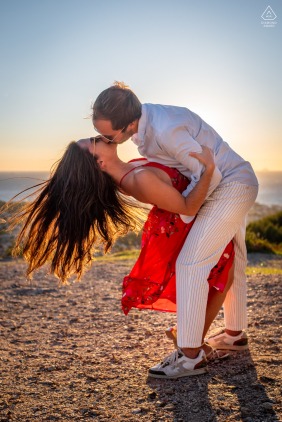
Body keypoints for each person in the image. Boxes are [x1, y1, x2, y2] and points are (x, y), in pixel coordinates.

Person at [12, 138, 233, 378]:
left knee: (219, 275)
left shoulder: (132, 168)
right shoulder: (139, 179)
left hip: (180, 225)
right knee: (222, 275)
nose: (97, 136)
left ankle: (189, 336)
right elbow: (188, 208)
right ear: (99, 162)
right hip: (178, 227)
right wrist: (209, 170)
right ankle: (190, 343)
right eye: (93, 141)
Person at [91, 82, 259, 378]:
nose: (104, 138)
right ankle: (234, 335)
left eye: (107, 134)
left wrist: (184, 216)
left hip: (230, 185)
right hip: (235, 180)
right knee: (238, 260)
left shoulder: (165, 130)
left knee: (191, 263)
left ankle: (190, 357)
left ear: (129, 123)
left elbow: (211, 173)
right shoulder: (147, 123)